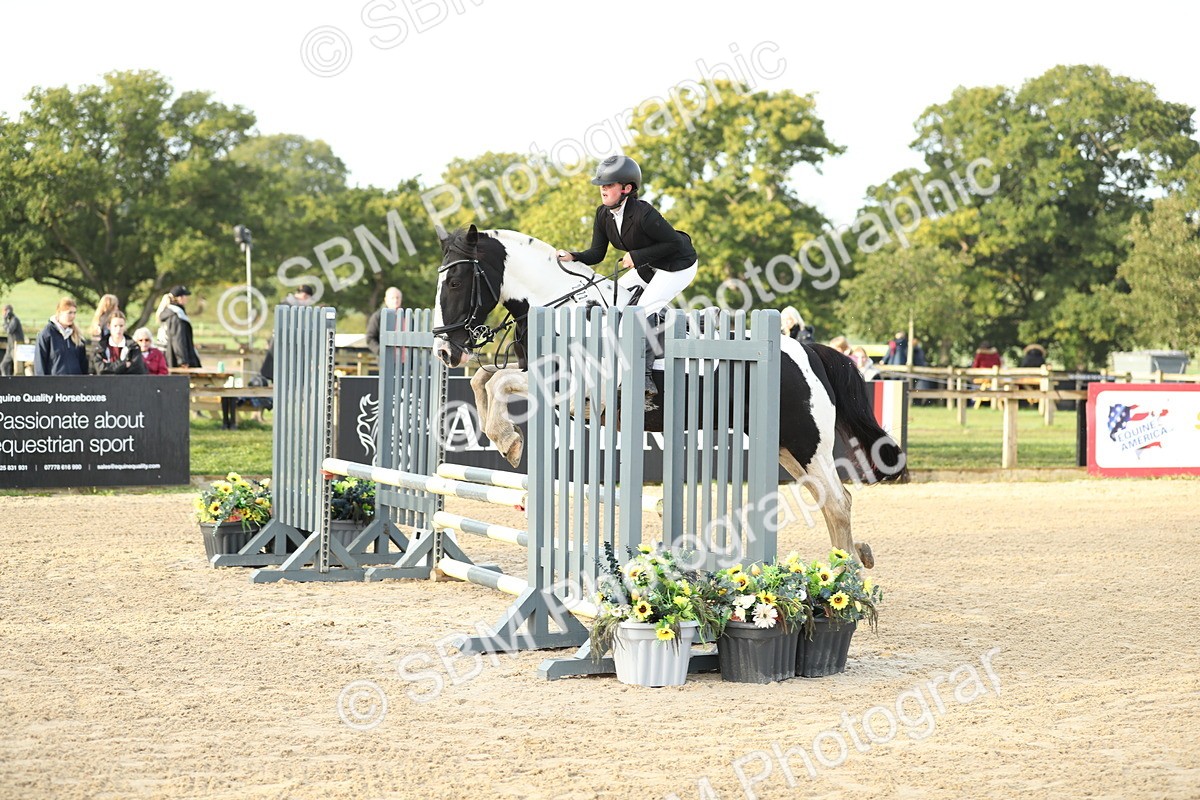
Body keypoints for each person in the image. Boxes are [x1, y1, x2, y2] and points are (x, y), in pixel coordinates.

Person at [556, 155, 697, 411]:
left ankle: (645, 381)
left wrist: (637, 256)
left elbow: (674, 244)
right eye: (602, 184)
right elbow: (597, 254)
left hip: (677, 265)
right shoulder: (603, 215)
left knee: (639, 313)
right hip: (649, 265)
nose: (603, 189)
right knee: (618, 297)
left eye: (609, 184)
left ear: (627, 188)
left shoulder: (644, 213)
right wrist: (574, 256)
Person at [34, 297, 89, 375]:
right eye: (69, 313)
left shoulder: (78, 336)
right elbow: (40, 365)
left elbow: (83, 364)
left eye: (74, 313)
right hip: (54, 384)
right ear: (59, 312)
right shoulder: (46, 335)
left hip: (76, 383)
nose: (73, 316)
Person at [157, 285, 202, 368]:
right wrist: (182, 360)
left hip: (168, 356)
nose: (187, 298)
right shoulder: (176, 316)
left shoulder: (168, 313)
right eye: (185, 296)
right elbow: (178, 339)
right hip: (175, 359)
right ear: (179, 298)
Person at [366, 286, 403, 355]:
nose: (395, 300)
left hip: (405, 360)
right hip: (385, 360)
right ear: (386, 300)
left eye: (397, 297)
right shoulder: (377, 316)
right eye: (392, 298)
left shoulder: (407, 316)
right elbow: (370, 338)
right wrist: (381, 351)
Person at [1, 304, 25, 376]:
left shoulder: (15, 320)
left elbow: (9, 330)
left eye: (4, 312)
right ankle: (5, 382)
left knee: (18, 369)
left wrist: (5, 320)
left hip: (16, 348)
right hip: (10, 348)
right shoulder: (11, 320)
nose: (3, 314)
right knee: (3, 366)